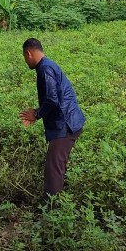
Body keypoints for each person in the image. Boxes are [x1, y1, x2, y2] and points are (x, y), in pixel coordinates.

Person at [19, 38, 86, 201]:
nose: (25, 60)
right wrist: (37, 112)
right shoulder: (47, 65)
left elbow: (52, 99)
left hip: (65, 125)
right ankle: (56, 205)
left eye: (24, 56)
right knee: (56, 166)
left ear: (28, 53)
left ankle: (52, 212)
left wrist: (35, 115)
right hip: (68, 122)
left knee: (53, 169)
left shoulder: (45, 68)